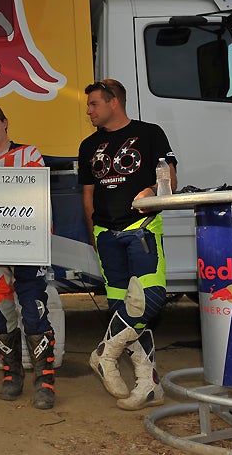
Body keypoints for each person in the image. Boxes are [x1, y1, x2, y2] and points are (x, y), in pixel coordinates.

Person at [79, 79, 177, 411]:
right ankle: (148, 384)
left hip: (142, 228)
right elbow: (88, 194)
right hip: (107, 235)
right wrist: (95, 234)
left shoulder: (150, 133)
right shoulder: (87, 145)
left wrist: (152, 191)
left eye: (93, 104)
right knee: (125, 311)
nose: (89, 110)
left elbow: (169, 180)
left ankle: (105, 353)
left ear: (113, 103)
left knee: (150, 298)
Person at [0, 104, 56, 409]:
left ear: (6, 123)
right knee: (0, 312)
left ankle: (45, 380)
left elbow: (35, 189)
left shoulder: (30, 153)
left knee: (33, 310)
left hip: (27, 246)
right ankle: (12, 375)